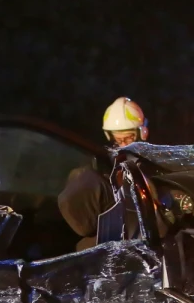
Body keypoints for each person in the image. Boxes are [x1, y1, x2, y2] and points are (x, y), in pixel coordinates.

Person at [58, 97, 150, 249]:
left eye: (128, 137)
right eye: (118, 138)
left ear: (142, 133)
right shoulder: (98, 168)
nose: (123, 144)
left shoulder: (151, 162)